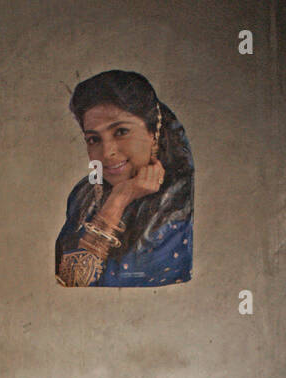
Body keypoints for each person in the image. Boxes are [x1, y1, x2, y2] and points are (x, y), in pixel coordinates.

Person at [56, 70, 193, 287]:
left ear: (154, 133)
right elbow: (71, 281)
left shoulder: (181, 202)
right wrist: (120, 199)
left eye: (121, 132)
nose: (107, 152)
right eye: (93, 139)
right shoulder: (84, 196)